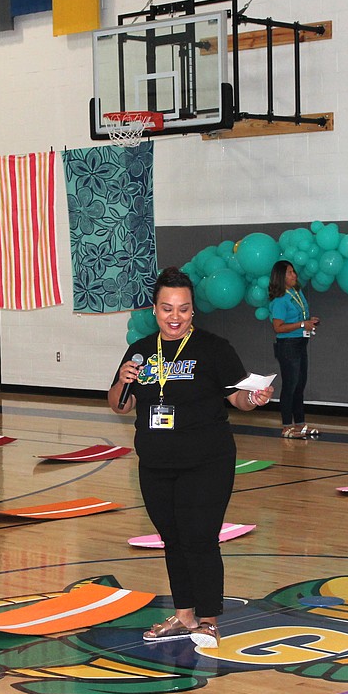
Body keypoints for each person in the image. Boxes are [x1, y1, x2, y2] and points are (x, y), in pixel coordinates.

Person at [109, 267, 273, 649]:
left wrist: (254, 398)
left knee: (199, 538)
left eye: (183, 309)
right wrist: (122, 379)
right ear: (154, 309)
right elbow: (120, 404)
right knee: (173, 539)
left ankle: (209, 619)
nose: (175, 317)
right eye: (167, 308)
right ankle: (183, 615)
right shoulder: (141, 350)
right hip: (155, 464)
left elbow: (238, 398)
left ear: (193, 311)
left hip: (207, 461)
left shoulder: (214, 349)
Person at [268, 261, 319, 439]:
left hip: (300, 342)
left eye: (293, 272)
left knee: (299, 385)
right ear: (281, 277)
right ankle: (286, 426)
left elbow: (299, 318)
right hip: (288, 345)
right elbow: (278, 327)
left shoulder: (296, 292)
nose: (294, 275)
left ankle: (300, 424)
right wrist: (301, 324)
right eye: (289, 273)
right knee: (290, 385)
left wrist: (308, 321)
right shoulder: (280, 299)